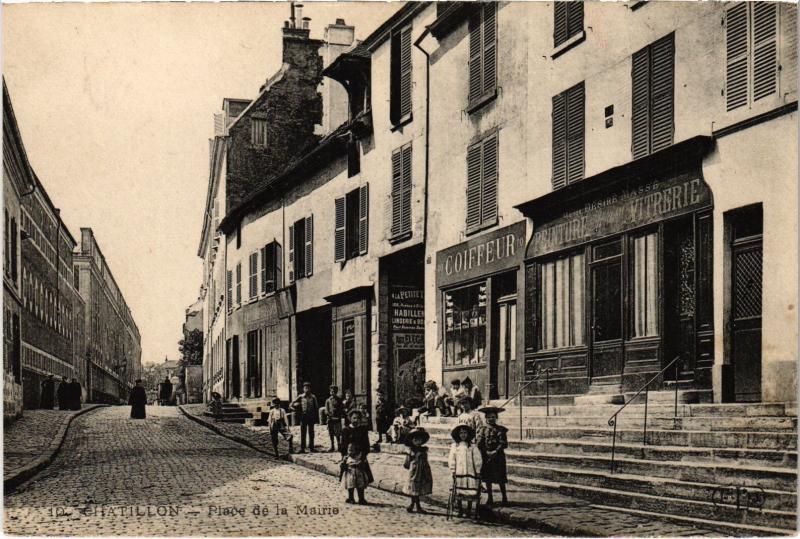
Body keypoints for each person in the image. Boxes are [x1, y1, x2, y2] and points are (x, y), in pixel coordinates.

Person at [476, 406, 509, 506]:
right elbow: (479, 443)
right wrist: (486, 452)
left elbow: (504, 443)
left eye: (493, 417)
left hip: (498, 457)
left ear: (496, 418)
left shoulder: (501, 430)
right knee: (487, 478)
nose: (491, 419)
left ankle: (504, 497)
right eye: (489, 417)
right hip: (486, 458)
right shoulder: (482, 430)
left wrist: (495, 451)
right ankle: (490, 498)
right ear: (486, 418)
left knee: (500, 478)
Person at [339, 409, 373, 503]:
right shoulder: (346, 430)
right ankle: (351, 497)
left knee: (360, 478)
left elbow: (366, 444)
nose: (356, 420)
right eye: (354, 418)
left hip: (360, 457)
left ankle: (361, 498)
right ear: (350, 419)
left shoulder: (363, 430)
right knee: (350, 479)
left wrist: (363, 456)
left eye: (358, 418)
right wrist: (344, 456)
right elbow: (343, 445)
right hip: (349, 457)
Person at [448, 424, 482, 518]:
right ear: (458, 434)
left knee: (470, 491)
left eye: (465, 433)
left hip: (470, 471)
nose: (463, 435)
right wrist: (453, 470)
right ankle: (460, 510)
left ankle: (469, 509)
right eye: (461, 433)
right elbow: (452, 458)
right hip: (460, 471)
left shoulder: (472, 446)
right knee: (459, 490)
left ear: (468, 434)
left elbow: (477, 459)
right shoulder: (455, 446)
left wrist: (478, 470)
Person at [403, 427, 433, 513]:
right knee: (413, 489)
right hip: (414, 472)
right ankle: (415, 505)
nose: (417, 442)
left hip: (422, 471)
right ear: (412, 440)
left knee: (418, 489)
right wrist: (409, 462)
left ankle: (414, 505)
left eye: (419, 440)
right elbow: (407, 463)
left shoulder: (424, 450)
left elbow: (425, 461)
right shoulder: (411, 451)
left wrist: (426, 471)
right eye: (415, 440)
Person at [291, 382, 319, 453]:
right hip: (303, 417)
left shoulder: (313, 397)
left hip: (311, 417)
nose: (307, 389)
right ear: (303, 389)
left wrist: (316, 417)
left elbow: (316, 408)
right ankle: (302, 448)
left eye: (308, 388)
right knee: (303, 433)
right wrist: (295, 409)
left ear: (310, 389)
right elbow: (291, 404)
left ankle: (311, 448)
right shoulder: (300, 397)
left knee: (311, 433)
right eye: (305, 388)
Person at [324, 385, 344, 452]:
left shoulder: (339, 400)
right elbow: (326, 410)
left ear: (336, 392)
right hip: (330, 419)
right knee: (331, 432)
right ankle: (332, 446)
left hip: (337, 419)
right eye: (332, 391)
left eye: (334, 392)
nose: (333, 393)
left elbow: (341, 409)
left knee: (337, 433)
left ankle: (339, 445)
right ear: (330, 392)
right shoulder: (328, 400)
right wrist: (329, 415)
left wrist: (339, 416)